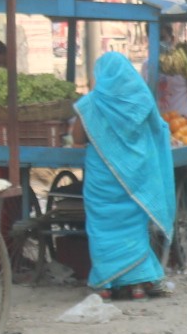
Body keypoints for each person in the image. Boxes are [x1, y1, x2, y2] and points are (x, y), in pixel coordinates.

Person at [73, 51, 177, 300]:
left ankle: (106, 285)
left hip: (101, 180)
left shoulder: (90, 104)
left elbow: (78, 139)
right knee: (133, 227)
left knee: (103, 227)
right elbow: (158, 130)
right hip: (136, 176)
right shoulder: (143, 100)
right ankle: (138, 284)